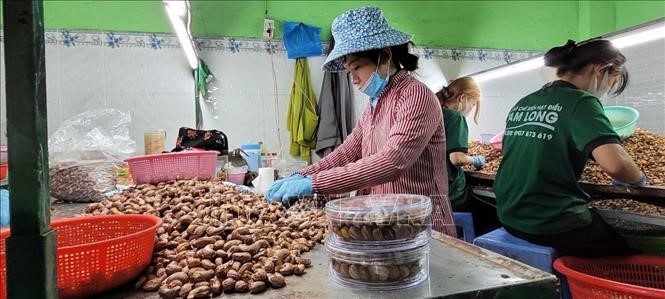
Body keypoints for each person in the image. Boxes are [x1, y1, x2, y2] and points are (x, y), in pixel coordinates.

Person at [267, 6, 455, 236]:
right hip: (385, 222)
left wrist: (314, 184)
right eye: (349, 70)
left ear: (385, 56)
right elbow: (347, 152)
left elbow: (391, 162)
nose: (354, 78)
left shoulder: (416, 97)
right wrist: (303, 175)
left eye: (357, 67)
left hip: (421, 226)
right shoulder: (375, 104)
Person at [493, 39, 646, 256]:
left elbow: (528, 146)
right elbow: (616, 165)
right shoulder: (581, 101)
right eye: (612, 81)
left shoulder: (525, 102)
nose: (608, 88)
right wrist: (638, 179)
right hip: (550, 221)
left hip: (509, 215)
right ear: (600, 70)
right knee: (626, 254)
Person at [435, 78, 499, 235]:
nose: (470, 110)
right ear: (462, 98)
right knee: (498, 214)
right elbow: (456, 158)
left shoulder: (435, 111)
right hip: (452, 197)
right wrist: (475, 159)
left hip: (433, 193)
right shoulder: (455, 118)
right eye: (472, 104)